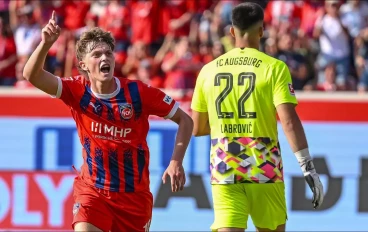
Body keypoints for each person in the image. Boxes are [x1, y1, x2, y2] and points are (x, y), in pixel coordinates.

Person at [23, 11, 193, 232]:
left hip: (134, 198)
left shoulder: (139, 92)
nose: (105, 58)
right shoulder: (76, 90)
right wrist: (46, 44)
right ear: (83, 65)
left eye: (108, 53)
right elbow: (31, 75)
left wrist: (176, 162)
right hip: (93, 191)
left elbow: (185, 120)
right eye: (97, 54)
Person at [191, 3, 324, 232]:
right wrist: (307, 166)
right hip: (264, 164)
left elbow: (197, 128)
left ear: (231, 31)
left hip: (225, 164)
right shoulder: (274, 68)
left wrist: (229, 126)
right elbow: (289, 121)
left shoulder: (208, 70)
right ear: (262, 30)